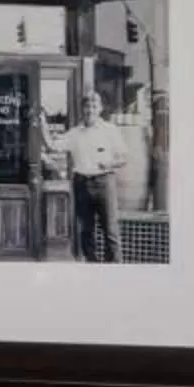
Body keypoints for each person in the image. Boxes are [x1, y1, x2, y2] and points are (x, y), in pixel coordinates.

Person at [56, 93, 127, 263]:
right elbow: (53, 145)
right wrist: (41, 124)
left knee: (111, 231)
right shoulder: (75, 133)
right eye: (87, 106)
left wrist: (109, 164)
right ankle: (92, 267)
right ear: (82, 109)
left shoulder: (110, 130)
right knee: (86, 231)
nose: (90, 110)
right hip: (82, 183)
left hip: (104, 182)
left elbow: (123, 158)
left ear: (100, 109)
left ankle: (115, 272)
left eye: (94, 106)